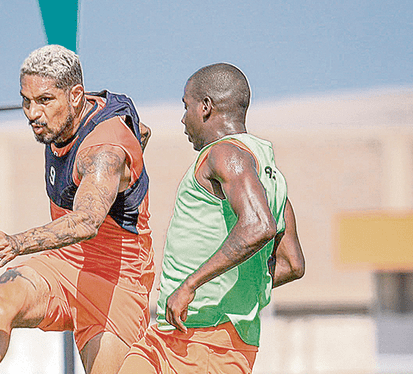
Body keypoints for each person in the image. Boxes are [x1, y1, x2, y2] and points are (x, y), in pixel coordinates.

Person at [0, 44, 154, 374]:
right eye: (26, 100)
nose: (33, 112)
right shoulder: (66, 116)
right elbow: (143, 131)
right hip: (64, 264)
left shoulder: (104, 148)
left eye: (44, 100)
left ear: (76, 95)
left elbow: (87, 221)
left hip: (116, 282)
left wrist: (18, 242)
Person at [119, 63, 306, 374]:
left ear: (205, 107)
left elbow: (259, 225)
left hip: (208, 347)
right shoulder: (271, 175)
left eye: (186, 106)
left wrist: (192, 285)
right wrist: (238, 289)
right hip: (171, 336)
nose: (183, 118)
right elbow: (292, 263)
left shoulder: (225, 154)